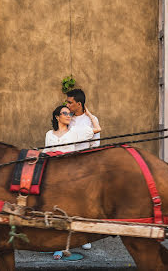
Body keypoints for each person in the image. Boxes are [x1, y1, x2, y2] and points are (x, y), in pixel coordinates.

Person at [44, 104, 101, 260]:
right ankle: (58, 246)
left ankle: (74, 241)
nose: (69, 115)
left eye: (69, 113)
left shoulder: (75, 132)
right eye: (65, 113)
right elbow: (46, 153)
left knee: (70, 210)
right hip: (53, 177)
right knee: (55, 211)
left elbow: (97, 129)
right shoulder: (49, 134)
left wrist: (88, 113)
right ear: (57, 116)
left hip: (70, 176)